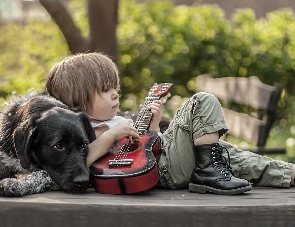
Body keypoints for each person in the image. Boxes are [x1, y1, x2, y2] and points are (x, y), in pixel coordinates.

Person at [45, 52, 295, 195]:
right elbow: (77, 164)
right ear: (76, 99)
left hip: (160, 164)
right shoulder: (80, 130)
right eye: (105, 90)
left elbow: (148, 148)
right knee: (201, 102)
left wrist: (153, 128)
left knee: (229, 155)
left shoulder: (117, 120)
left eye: (116, 89)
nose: (115, 95)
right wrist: (110, 137)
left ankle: (288, 174)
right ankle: (207, 172)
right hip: (160, 172)